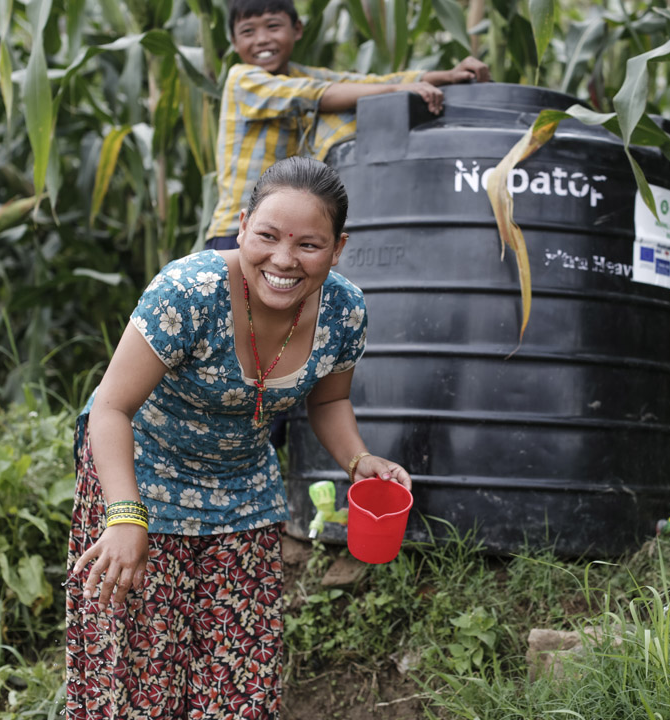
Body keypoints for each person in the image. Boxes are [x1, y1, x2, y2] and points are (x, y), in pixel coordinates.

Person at [64, 156, 411, 719]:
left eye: (309, 245)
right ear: (243, 224)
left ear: (338, 248)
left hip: (241, 487)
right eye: (269, 236)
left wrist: (358, 460)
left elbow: (329, 400)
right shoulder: (189, 292)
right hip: (141, 475)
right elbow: (110, 407)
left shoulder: (344, 311)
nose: (283, 260)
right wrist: (125, 515)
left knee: (240, 674)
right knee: (142, 674)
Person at [204, 0, 491, 251]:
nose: (262, 39)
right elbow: (320, 95)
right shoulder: (242, 79)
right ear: (233, 40)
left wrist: (443, 76)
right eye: (248, 31)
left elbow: (363, 84)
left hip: (282, 231)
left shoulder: (302, 74)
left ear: (298, 29)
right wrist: (397, 91)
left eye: (273, 26)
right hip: (238, 229)